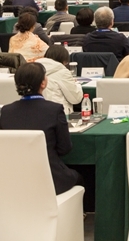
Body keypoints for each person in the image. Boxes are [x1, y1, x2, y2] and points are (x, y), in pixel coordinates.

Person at [0, 62, 81, 194]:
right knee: (82, 177)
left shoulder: (6, 111)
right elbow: (64, 148)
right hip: (51, 180)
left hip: (13, 180)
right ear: (43, 83)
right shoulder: (54, 110)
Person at [38, 45, 83, 115]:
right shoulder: (63, 72)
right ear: (64, 60)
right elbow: (75, 99)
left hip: (38, 113)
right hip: (59, 114)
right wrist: (77, 85)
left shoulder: (35, 69)